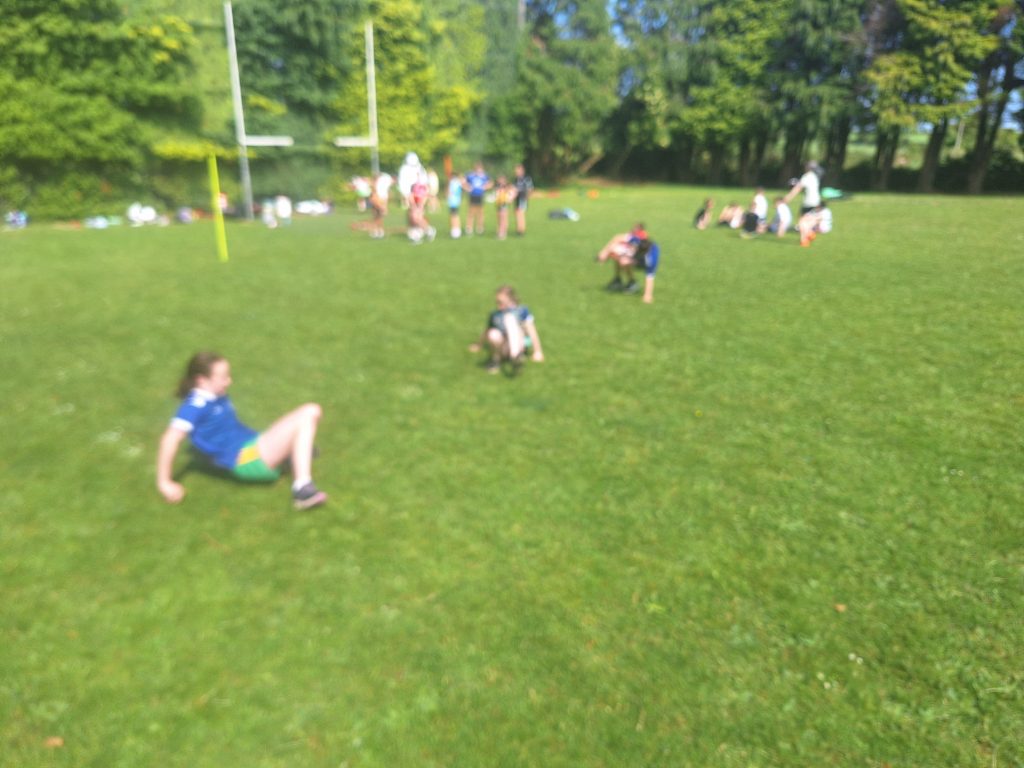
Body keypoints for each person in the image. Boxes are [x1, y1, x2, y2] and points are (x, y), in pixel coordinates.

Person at [156, 352, 327, 510]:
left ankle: (290, 456)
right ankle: (302, 489)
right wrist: (164, 482)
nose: (228, 381)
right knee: (310, 412)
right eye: (223, 377)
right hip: (245, 459)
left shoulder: (216, 395)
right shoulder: (194, 406)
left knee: (310, 414)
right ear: (201, 380)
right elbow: (169, 439)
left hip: (251, 444)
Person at [468, 285, 545, 374]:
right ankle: (496, 361)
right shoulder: (495, 315)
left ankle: (515, 356)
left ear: (510, 300)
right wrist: (478, 345)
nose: (498, 306)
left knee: (510, 319)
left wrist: (538, 351)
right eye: (497, 302)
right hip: (504, 347)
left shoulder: (522, 311)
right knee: (493, 333)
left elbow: (531, 331)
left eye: (501, 302)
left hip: (520, 344)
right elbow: (487, 330)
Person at [596, 224, 660, 304]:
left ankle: (632, 283)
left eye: (634, 247)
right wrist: (605, 252)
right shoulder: (638, 240)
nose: (631, 248)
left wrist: (647, 295)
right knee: (615, 250)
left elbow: (650, 277)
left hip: (641, 259)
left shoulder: (651, 259)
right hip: (637, 255)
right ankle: (619, 281)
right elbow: (618, 237)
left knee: (624, 260)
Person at [464, 161, 492, 235]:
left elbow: (490, 183)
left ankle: (480, 227)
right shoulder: (470, 176)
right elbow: (464, 182)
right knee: (471, 212)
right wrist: (467, 188)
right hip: (472, 195)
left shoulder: (484, 176)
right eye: (477, 168)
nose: (478, 170)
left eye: (480, 168)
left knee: (480, 212)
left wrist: (485, 187)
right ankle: (469, 227)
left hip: (480, 195)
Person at [512, 163, 534, 236]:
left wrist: (527, 197)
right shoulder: (516, 179)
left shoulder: (527, 178)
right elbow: (514, 188)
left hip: (523, 198)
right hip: (517, 198)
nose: (516, 172)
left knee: (520, 213)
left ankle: (521, 230)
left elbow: (530, 189)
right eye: (516, 170)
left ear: (522, 170)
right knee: (517, 213)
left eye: (517, 170)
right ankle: (519, 228)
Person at [494, 175, 514, 240]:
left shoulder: (508, 186)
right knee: (499, 218)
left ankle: (503, 233)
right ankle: (500, 231)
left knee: (503, 218)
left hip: (504, 204)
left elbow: (513, 192)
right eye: (499, 179)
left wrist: (510, 199)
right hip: (498, 204)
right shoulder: (497, 187)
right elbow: (496, 195)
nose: (500, 181)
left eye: (502, 179)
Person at [447, 171, 464, 238]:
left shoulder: (453, 182)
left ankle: (455, 230)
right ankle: (456, 229)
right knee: (454, 215)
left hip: (453, 201)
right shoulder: (457, 182)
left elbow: (449, 192)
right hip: (455, 201)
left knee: (454, 215)